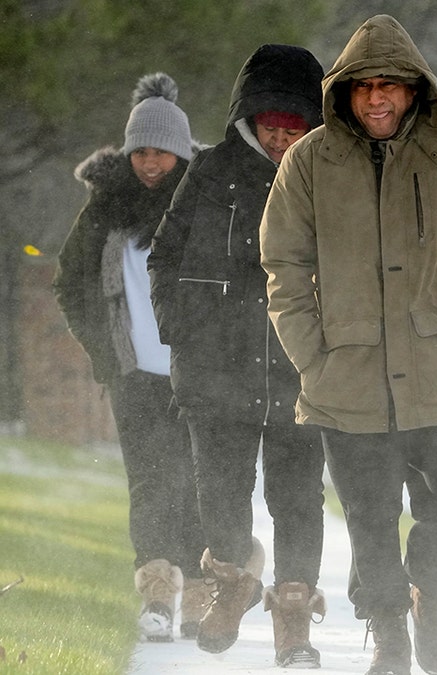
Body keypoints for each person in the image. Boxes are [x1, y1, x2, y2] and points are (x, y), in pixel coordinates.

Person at [259, 15, 437, 675]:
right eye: (364, 85)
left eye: (391, 85)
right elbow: (282, 265)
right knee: (371, 515)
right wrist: (311, 354)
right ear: (344, 91)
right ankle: (389, 632)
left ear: (415, 91)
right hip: (347, 374)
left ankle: (431, 594)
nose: (377, 98)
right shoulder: (309, 161)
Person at [147, 44, 328, 667]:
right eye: (272, 126)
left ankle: (295, 617)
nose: (281, 139)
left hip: (301, 372)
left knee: (298, 500)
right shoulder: (209, 170)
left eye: (294, 127)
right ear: (250, 120)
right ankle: (233, 583)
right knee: (220, 495)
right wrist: (179, 330)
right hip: (213, 370)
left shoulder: (330, 175)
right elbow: (164, 255)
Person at [53, 72, 207, 643]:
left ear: (182, 154)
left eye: (162, 153)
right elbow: (70, 284)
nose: (149, 163)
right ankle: (158, 596)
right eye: (140, 151)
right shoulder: (104, 211)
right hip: (134, 374)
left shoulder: (207, 206)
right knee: (148, 482)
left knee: (197, 483)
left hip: (199, 373)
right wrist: (103, 350)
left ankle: (202, 592)